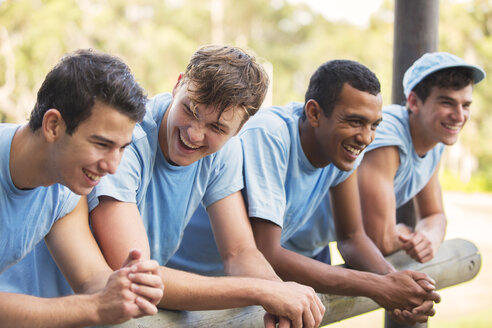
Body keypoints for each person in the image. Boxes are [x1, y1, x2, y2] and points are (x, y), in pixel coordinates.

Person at [169, 59, 441, 324]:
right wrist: (379, 287)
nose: (366, 137)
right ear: (313, 113)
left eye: (374, 125)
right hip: (181, 276)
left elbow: (352, 238)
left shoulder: (344, 151)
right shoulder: (270, 134)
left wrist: (396, 284)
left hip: (234, 280)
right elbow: (267, 251)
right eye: (355, 121)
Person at [87, 45, 325, 328]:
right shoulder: (127, 140)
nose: (194, 133)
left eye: (217, 128)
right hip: (70, 303)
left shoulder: (226, 152)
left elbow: (239, 252)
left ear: (239, 129)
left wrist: (281, 295)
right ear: (178, 86)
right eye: (190, 110)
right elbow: (136, 275)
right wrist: (264, 290)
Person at [0, 49, 164, 327]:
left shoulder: (65, 187)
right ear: (53, 126)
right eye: (102, 144)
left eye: (121, 148)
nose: (113, 167)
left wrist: (126, 286)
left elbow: (90, 277)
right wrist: (94, 308)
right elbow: (93, 303)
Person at [357, 52, 485, 263]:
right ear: (414, 102)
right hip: (291, 237)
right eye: (447, 103)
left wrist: (428, 238)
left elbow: (434, 215)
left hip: (314, 242)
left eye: (466, 105)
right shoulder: (387, 137)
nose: (459, 116)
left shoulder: (433, 140)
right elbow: (380, 240)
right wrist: (407, 233)